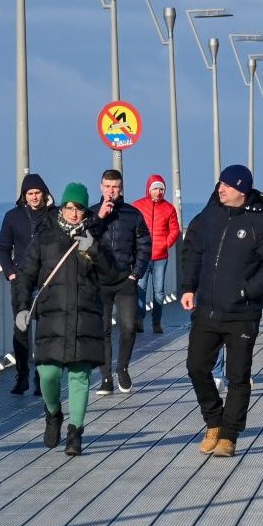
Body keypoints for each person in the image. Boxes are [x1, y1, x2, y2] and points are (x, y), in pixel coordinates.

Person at [178, 165, 263, 459]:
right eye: (220, 184)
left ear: (241, 190)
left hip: (242, 312)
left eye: (226, 185)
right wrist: (188, 287)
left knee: (238, 377)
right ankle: (214, 421)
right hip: (207, 309)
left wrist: (247, 290)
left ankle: (229, 435)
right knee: (196, 367)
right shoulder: (209, 215)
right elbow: (192, 250)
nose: (220, 189)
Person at [21, 183, 124, 456]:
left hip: (84, 317)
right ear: (62, 208)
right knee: (48, 374)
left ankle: (75, 432)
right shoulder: (44, 237)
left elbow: (113, 274)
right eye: (69, 207)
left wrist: (94, 250)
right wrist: (21, 307)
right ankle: (53, 412)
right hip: (52, 318)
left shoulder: (95, 235)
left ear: (85, 210)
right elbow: (25, 275)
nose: (74, 213)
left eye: (79, 208)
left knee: (79, 377)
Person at [88, 168, 151, 394]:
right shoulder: (91, 213)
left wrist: (136, 274)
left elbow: (145, 245)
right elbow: (81, 241)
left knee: (128, 326)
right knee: (102, 330)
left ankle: (122, 368)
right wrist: (99, 218)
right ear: (101, 187)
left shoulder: (133, 214)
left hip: (125, 280)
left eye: (115, 187)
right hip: (99, 281)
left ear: (121, 188)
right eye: (107, 187)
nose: (111, 191)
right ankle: (105, 378)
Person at [0, 173, 54, 394]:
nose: (34, 197)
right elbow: (3, 248)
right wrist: (11, 274)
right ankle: (22, 376)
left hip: (47, 281)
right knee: (21, 328)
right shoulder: (12, 216)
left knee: (45, 330)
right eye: (30, 193)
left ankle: (41, 378)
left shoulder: (54, 215)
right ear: (24, 195)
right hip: (21, 281)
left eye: (38, 193)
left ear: (44, 193)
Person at [132, 173, 181, 334]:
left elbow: (175, 230)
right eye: (155, 189)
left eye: (161, 189)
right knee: (140, 288)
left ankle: (156, 322)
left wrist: (166, 244)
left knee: (159, 291)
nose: (158, 192)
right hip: (142, 256)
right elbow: (131, 227)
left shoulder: (169, 208)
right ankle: (139, 320)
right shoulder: (137, 206)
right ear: (149, 189)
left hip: (160, 257)